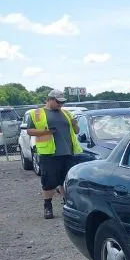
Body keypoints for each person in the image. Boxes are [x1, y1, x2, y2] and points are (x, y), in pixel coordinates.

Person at [26, 89, 82, 219]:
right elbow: (29, 131)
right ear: (50, 99)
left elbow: (77, 131)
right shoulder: (37, 113)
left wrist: (75, 124)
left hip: (68, 152)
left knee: (66, 180)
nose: (60, 105)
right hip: (49, 153)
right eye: (58, 102)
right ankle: (48, 206)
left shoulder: (66, 113)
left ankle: (67, 204)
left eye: (62, 102)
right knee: (49, 182)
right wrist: (45, 132)